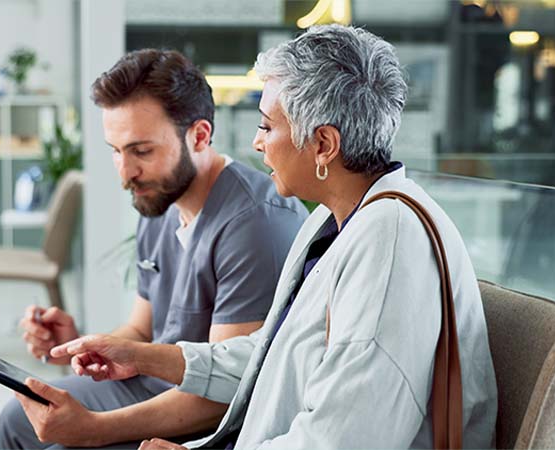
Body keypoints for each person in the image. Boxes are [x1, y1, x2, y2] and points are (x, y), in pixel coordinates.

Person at [43, 25, 499, 449]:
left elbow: (344, 438)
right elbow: (273, 357)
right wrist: (142, 357)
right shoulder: (337, 222)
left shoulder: (390, 245)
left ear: (323, 144)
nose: (257, 143)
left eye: (266, 126)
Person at [0, 49, 309, 449]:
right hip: (151, 386)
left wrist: (92, 428)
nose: (126, 173)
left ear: (198, 136)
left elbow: (226, 393)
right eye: (116, 150)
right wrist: (80, 347)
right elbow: (142, 330)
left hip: (211, 417)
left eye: (141, 151)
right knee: (16, 418)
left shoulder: (255, 224)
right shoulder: (159, 199)